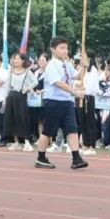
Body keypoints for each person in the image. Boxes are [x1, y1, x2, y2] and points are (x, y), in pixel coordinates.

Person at [33, 37, 89, 170]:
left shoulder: (67, 64)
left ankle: (76, 158)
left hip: (67, 102)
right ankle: (41, 157)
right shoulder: (51, 65)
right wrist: (75, 92)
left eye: (66, 48)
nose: (65, 51)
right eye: (61, 48)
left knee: (72, 129)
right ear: (53, 49)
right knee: (48, 131)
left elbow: (77, 77)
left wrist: (83, 67)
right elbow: (58, 83)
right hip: (54, 102)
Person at [2, 53, 36, 152]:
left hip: (21, 97)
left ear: (22, 61)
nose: (15, 61)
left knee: (22, 118)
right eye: (14, 59)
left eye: (17, 59)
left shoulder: (27, 72)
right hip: (11, 96)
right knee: (12, 119)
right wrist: (5, 98)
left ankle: (27, 142)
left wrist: (27, 88)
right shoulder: (11, 71)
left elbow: (35, 81)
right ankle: (16, 142)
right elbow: (8, 85)